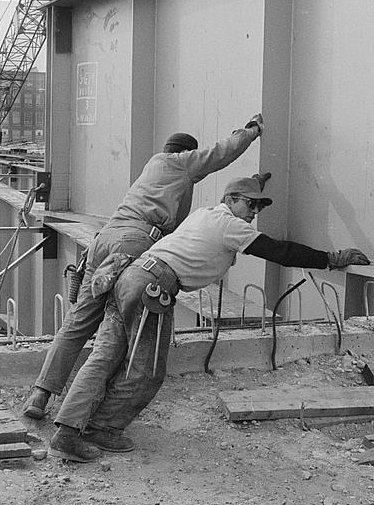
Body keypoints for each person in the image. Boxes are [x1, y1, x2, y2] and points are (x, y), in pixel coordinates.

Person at [50, 175, 370, 462]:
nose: (253, 212)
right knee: (146, 369)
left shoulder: (205, 215)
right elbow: (278, 251)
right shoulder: (230, 225)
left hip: (129, 276)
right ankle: (101, 428)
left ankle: (67, 431)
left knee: (104, 358)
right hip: (153, 285)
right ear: (229, 200)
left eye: (257, 206)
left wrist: (253, 184)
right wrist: (330, 258)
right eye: (249, 203)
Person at [24, 114, 265, 420]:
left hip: (103, 242)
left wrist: (257, 184)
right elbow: (221, 152)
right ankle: (86, 416)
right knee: (118, 335)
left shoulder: (151, 170)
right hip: (135, 243)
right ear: (186, 153)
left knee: (77, 323)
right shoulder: (178, 162)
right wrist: (250, 132)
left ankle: (40, 395)